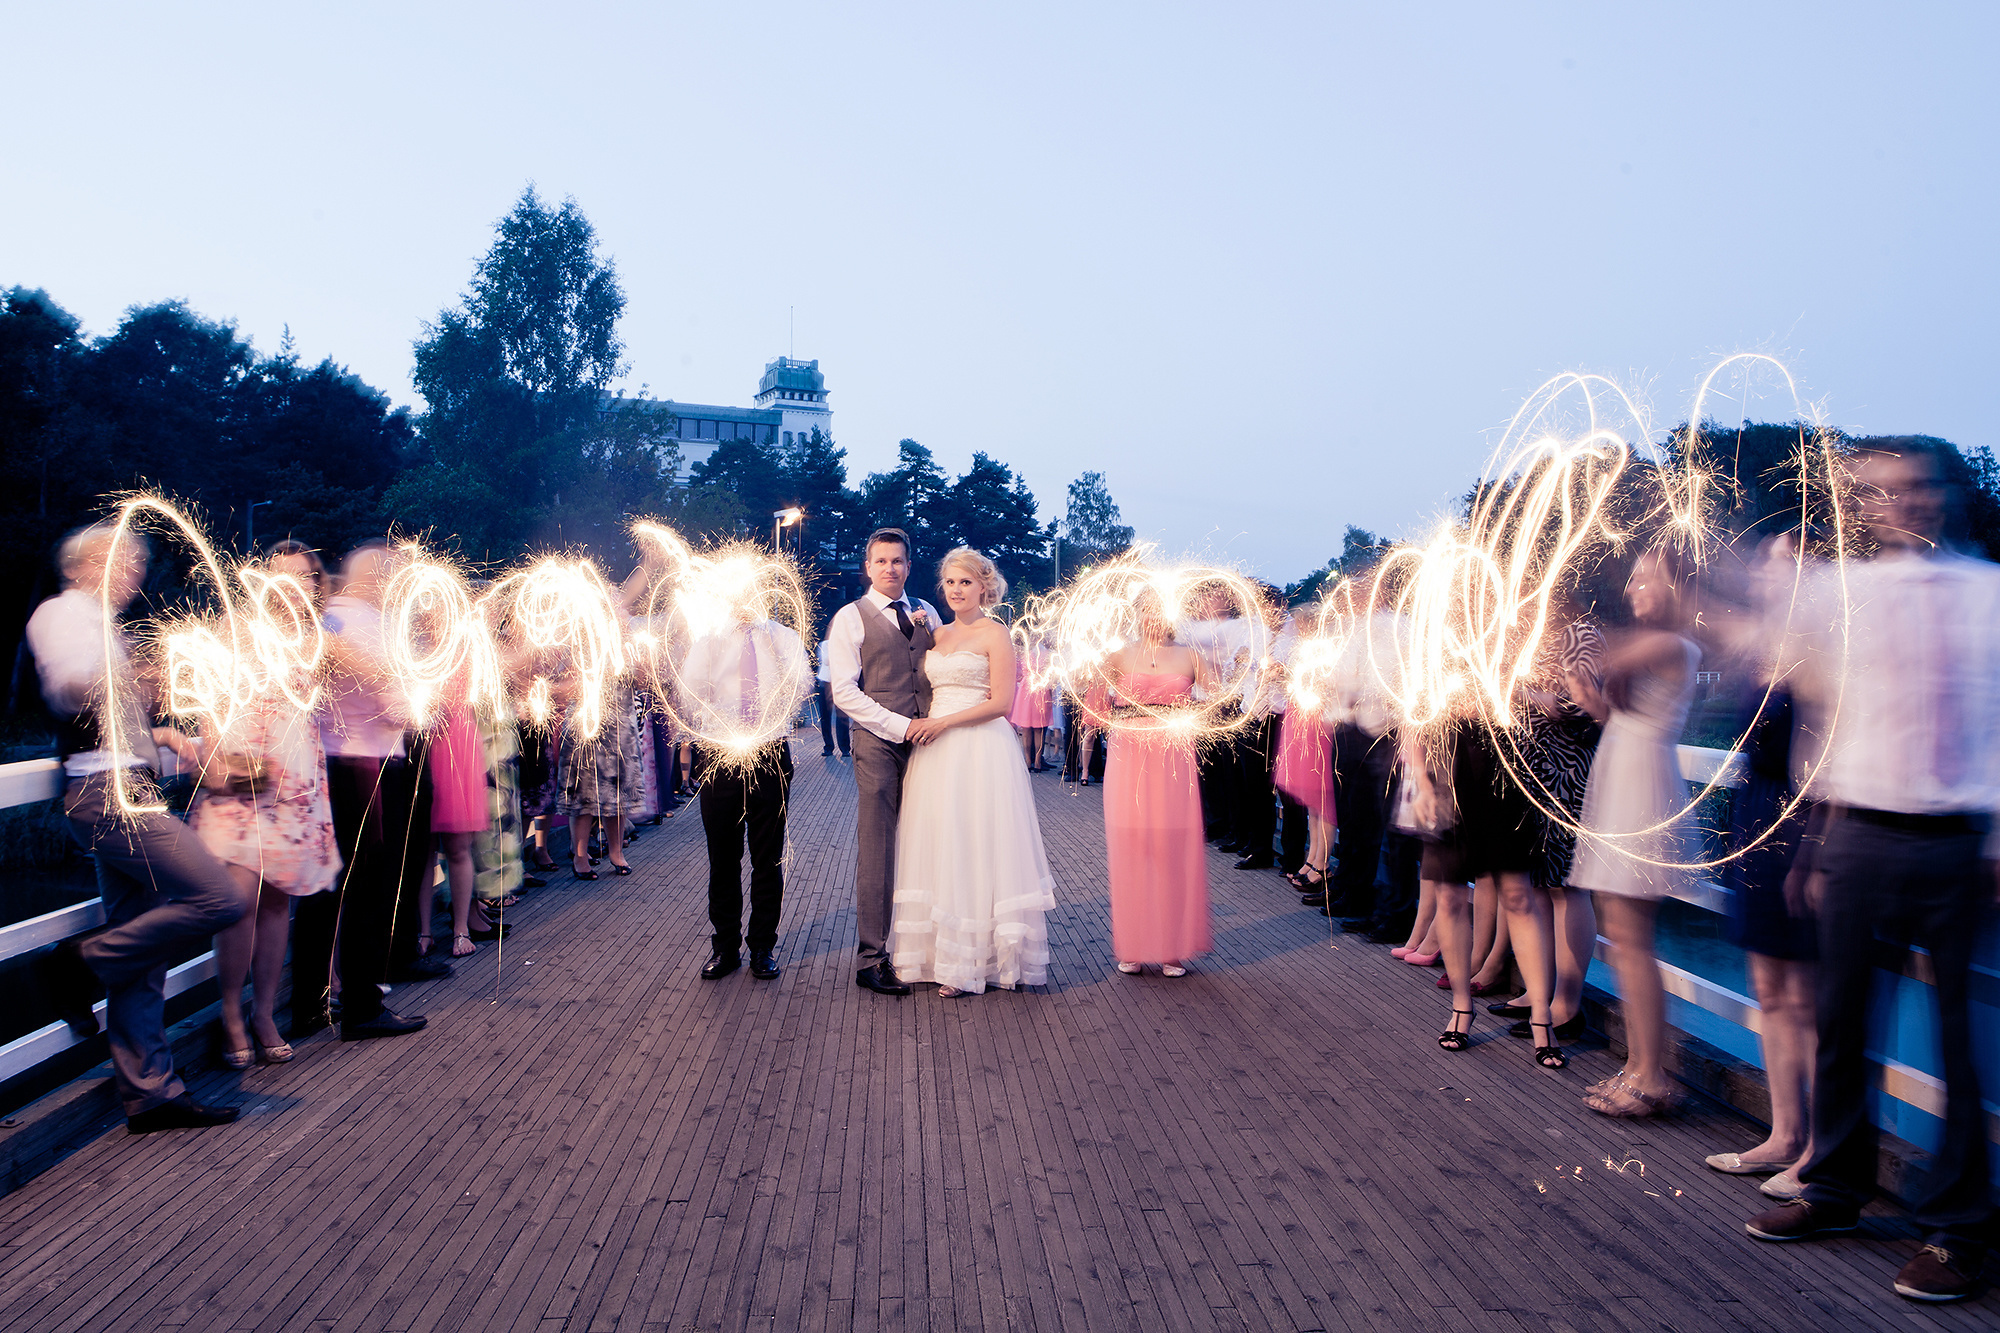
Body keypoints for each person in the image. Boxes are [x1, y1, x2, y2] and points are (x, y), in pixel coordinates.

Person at [1743, 441, 2000, 1304]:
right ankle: (1836, 1186)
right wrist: (1814, 842)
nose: (1906, 503)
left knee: (1962, 1041)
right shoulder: (1845, 598)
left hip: (1954, 840)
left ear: (1949, 496)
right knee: (1841, 1019)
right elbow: (1825, 719)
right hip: (1854, 832)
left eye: (1921, 487)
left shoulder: (1991, 596)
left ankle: (1960, 1229)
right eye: (1886, 491)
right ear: (1866, 507)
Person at [29, 523, 251, 1131]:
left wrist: (161, 731)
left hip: (132, 787)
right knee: (220, 896)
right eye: (119, 559)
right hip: (109, 797)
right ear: (80, 565)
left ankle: (150, 1092)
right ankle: (80, 960)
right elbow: (74, 692)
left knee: (143, 950)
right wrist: (136, 673)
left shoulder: (106, 628)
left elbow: (115, 715)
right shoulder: (64, 614)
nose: (133, 570)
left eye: (136, 562)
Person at [186, 541, 341, 1068]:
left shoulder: (317, 643)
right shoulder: (236, 632)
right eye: (282, 577)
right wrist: (212, 750)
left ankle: (263, 1012)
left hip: (296, 785)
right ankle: (230, 1011)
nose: (293, 588)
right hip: (242, 778)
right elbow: (210, 698)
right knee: (239, 902)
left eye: (304, 578)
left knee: (277, 903)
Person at [1568, 545, 1701, 1115]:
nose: (1636, 586)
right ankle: (1637, 1063)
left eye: (1651, 576)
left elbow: (1614, 653)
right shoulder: (1650, 647)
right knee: (1620, 937)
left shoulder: (1674, 643)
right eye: (1635, 577)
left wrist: (1562, 627)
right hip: (1621, 773)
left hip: (1643, 786)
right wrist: (1579, 683)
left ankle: (1653, 1076)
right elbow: (1608, 712)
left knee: (1633, 940)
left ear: (1680, 587)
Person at [887, 549, 1056, 995]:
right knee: (939, 842)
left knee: (976, 843)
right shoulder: (936, 634)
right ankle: (938, 955)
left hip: (980, 748)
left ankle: (972, 964)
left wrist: (942, 722)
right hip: (936, 754)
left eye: (965, 583)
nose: (956, 590)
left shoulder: (996, 634)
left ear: (983, 587)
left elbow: (1001, 703)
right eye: (949, 583)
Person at [297, 543, 433, 1042]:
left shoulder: (334, 620)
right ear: (376, 576)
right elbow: (399, 705)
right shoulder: (357, 625)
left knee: (333, 885)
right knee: (370, 885)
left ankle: (312, 1003)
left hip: (344, 762)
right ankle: (361, 1005)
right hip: (367, 763)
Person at [827, 528, 939, 997]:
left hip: (931, 740)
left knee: (930, 839)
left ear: (909, 566)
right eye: (881, 561)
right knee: (878, 845)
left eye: (898, 561)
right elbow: (844, 692)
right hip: (878, 741)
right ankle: (871, 957)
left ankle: (928, 947)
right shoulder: (850, 619)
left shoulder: (928, 612)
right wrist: (899, 726)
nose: (890, 568)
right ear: (867, 568)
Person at [681, 600, 808, 981]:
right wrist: (714, 724)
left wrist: (771, 719)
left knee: (767, 857)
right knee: (723, 858)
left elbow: (800, 687)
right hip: (720, 752)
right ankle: (725, 948)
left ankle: (763, 947)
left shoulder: (782, 637)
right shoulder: (710, 639)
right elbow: (690, 691)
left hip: (768, 752)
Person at [1095, 593, 1215, 976]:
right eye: (1145, 609)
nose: (1153, 617)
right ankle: (1132, 944)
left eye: (1160, 610)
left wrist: (1191, 712)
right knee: (1132, 845)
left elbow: (1216, 702)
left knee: (1171, 846)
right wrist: (1115, 710)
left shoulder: (1191, 656)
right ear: (1136, 613)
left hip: (1174, 755)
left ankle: (1171, 947)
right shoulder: (1117, 656)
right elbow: (1094, 707)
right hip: (1129, 753)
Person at [1005, 630, 1054, 773]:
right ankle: (1038, 761)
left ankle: (1028, 761)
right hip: (1041, 689)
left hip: (1027, 689)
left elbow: (1019, 673)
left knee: (1026, 729)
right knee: (1039, 729)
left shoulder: (1026, 654)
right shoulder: (1047, 654)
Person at [816, 636, 851, 757]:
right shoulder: (825, 644)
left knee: (842, 716)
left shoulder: (845, 642)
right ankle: (828, 747)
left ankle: (845, 748)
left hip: (840, 682)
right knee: (825, 717)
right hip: (825, 683)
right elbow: (826, 660)